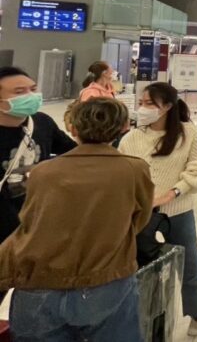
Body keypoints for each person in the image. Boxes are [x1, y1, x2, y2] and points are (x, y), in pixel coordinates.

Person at [0, 98, 153, 342]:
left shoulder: (43, 172)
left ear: (72, 128)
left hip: (40, 283)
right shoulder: (134, 169)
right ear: (124, 126)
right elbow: (139, 219)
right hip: (105, 279)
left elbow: (30, 223)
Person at [120, 83, 197, 337]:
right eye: (141, 103)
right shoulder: (130, 139)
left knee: (190, 267)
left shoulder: (187, 132)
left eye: (150, 103)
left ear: (168, 106)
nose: (143, 108)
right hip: (141, 216)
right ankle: (141, 323)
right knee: (141, 269)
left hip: (178, 212)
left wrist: (173, 192)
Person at [0, 67, 75, 244]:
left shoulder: (42, 122)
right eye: (19, 92)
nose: (30, 96)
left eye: (33, 89)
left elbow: (74, 152)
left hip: (39, 220)